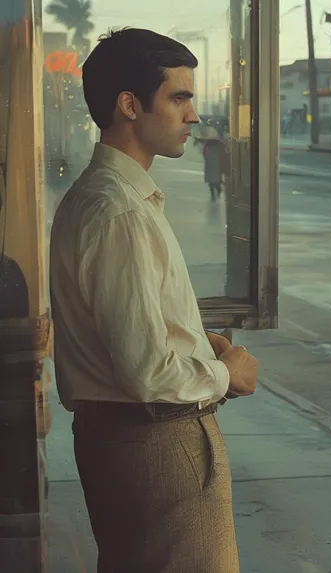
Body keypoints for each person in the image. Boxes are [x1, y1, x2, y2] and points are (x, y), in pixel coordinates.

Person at [49, 28, 258, 573]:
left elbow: (135, 334)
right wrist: (225, 374)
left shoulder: (109, 198)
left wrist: (196, 346)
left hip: (130, 439)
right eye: (179, 97)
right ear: (130, 105)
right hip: (158, 444)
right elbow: (146, 371)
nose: (193, 114)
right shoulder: (119, 211)